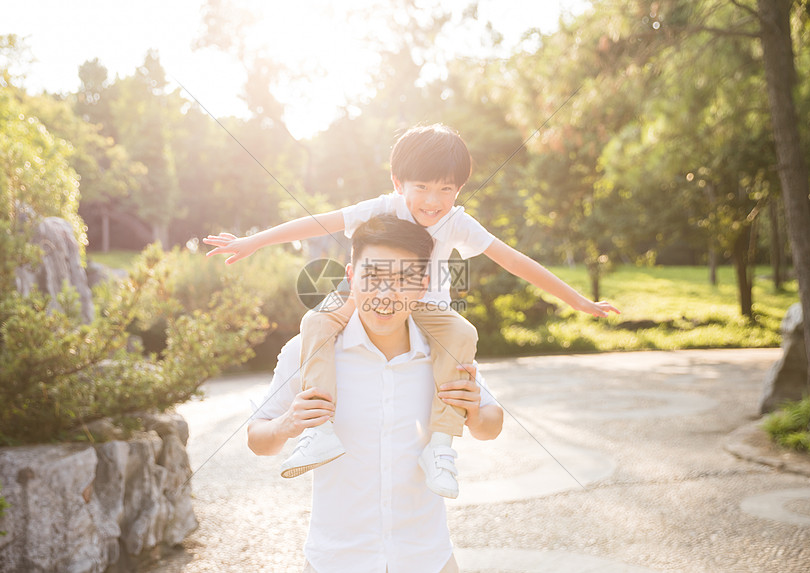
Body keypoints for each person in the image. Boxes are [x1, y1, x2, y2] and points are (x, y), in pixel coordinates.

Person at [205, 123, 619, 499]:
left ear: (458, 189)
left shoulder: (457, 223)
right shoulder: (383, 207)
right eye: (421, 187)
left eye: (446, 189)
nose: (433, 201)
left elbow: (513, 260)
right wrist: (254, 241)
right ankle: (319, 430)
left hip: (424, 305)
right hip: (365, 294)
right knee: (317, 321)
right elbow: (319, 222)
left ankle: (440, 447)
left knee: (462, 334)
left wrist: (577, 300)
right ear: (398, 181)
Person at [247, 215, 504, 573]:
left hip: (427, 558)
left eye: (403, 280)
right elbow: (257, 439)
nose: (386, 294)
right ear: (351, 277)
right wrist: (287, 425)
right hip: (335, 560)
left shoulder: (443, 350)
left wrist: (475, 413)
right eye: (373, 278)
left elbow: (491, 426)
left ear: (423, 284)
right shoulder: (308, 350)